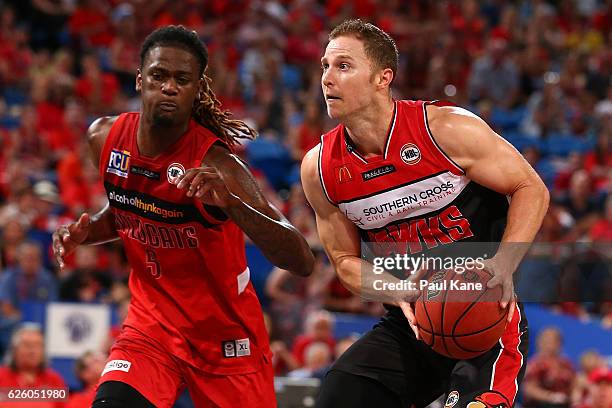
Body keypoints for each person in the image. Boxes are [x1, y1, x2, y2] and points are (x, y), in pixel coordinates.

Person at [53, 25, 314, 408]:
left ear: (196, 89)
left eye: (182, 79)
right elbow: (129, 208)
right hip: (151, 327)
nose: (169, 87)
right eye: (159, 76)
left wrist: (232, 204)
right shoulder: (104, 138)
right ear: (141, 80)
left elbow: (301, 260)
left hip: (225, 339)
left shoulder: (219, 166)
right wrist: (88, 231)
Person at [301, 19, 550, 407]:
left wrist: (503, 264)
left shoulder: (447, 130)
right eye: (325, 66)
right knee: (339, 394)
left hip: (480, 317)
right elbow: (345, 262)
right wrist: (397, 288)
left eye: (343, 66)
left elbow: (531, 188)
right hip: (411, 322)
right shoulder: (319, 168)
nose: (328, 78)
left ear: (383, 78)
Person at [0, 323, 66, 408]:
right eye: (27, 345)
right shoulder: (1, 377)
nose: (32, 351)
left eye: (37, 345)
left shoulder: (54, 380)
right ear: (14, 349)